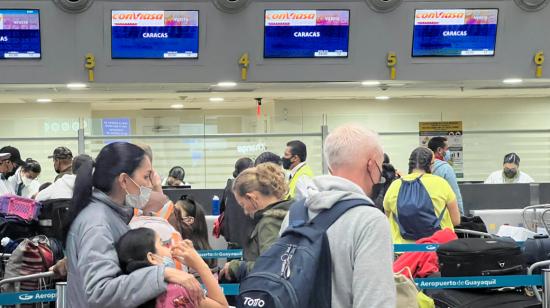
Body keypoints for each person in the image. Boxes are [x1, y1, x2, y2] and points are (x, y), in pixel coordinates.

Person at [64, 142, 203, 307]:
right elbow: (99, 292)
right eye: (146, 177)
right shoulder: (98, 223)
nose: (150, 185)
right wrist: (162, 274)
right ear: (124, 180)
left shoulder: (109, 216)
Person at [279, 124, 395, 307]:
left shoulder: (295, 214)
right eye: (380, 168)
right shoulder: (369, 220)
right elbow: (376, 301)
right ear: (371, 165)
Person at [116, 228, 228, 308]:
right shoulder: (177, 292)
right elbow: (222, 306)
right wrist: (200, 265)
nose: (170, 247)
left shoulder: (123, 295)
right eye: (162, 244)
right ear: (152, 258)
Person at [219, 163, 291, 282]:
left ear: (252, 197)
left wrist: (236, 267)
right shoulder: (291, 212)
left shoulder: (269, 223)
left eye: (243, 204)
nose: (245, 211)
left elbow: (271, 268)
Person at [384, 147, 461, 244]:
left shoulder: (395, 185)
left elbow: (388, 218)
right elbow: (456, 220)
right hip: (437, 249)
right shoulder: (441, 184)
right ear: (430, 165)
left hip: (404, 251)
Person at [218, 157, 255, 248]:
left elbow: (222, 209)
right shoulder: (255, 187)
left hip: (232, 241)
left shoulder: (229, 186)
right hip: (250, 241)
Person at [174, 195, 217, 269]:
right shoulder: (207, 252)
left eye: (175, 213)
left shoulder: (188, 254)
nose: (171, 217)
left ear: (189, 220)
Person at [428, 137, 464, 214]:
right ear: (440, 150)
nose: (449, 152)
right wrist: (460, 214)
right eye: (447, 149)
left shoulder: (422, 167)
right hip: (443, 214)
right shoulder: (446, 168)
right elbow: (455, 194)